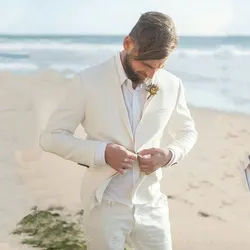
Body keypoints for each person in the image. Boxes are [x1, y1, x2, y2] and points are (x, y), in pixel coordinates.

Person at [39, 11, 198, 250]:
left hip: (152, 204)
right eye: (146, 65)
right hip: (104, 205)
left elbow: (188, 132)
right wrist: (102, 153)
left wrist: (169, 155)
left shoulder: (172, 84)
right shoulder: (87, 81)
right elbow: (51, 138)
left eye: (160, 66)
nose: (153, 74)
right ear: (128, 44)